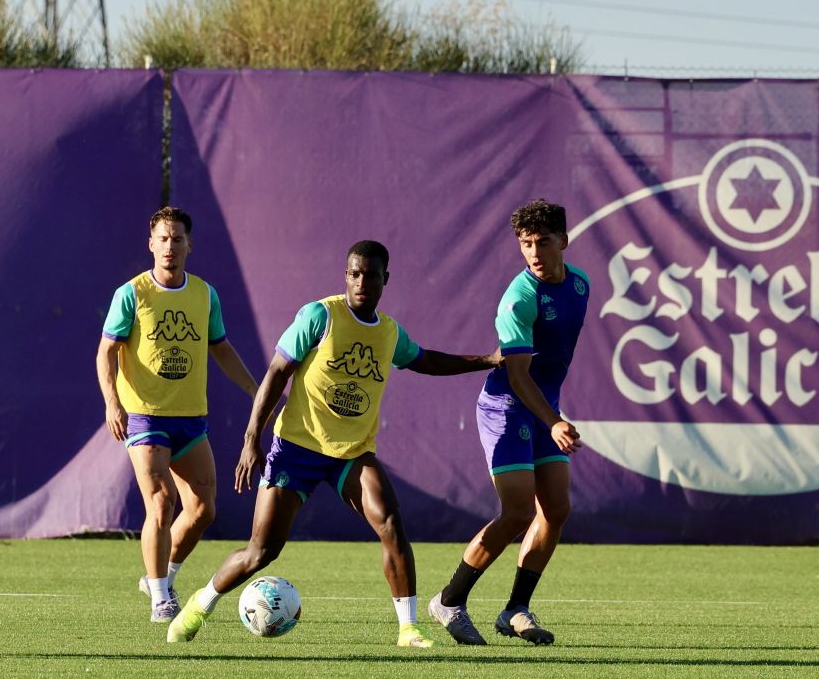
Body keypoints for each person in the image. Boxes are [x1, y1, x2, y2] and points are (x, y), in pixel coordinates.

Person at [166, 240, 499, 649]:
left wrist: (487, 360)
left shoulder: (389, 332)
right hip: (296, 448)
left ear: (385, 279)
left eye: (371, 275)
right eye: (354, 274)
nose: (361, 282)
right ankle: (199, 605)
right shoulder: (319, 316)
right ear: (346, 275)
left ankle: (408, 628)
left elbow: (426, 361)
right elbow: (276, 373)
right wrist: (253, 438)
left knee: (390, 522)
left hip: (351, 453)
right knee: (261, 552)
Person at [430, 199, 588, 647]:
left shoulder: (580, 285)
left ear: (563, 241)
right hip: (507, 407)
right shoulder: (519, 299)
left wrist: (551, 415)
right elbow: (517, 375)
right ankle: (449, 600)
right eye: (525, 243)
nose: (534, 252)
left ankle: (515, 609)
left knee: (556, 510)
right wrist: (553, 421)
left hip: (544, 408)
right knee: (518, 511)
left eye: (542, 242)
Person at [97, 207, 258, 622]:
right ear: (151, 244)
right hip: (145, 416)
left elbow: (221, 348)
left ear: (190, 245)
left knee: (203, 510)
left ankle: (160, 578)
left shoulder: (204, 294)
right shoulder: (132, 293)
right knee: (161, 500)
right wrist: (113, 402)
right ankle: (160, 600)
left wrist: (256, 391)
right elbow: (106, 352)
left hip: (190, 418)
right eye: (163, 239)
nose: (170, 246)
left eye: (177, 239)